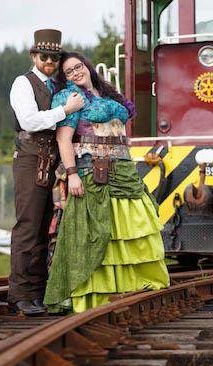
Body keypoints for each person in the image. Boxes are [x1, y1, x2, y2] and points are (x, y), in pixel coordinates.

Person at [43, 52, 169, 313]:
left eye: (79, 67)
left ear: (87, 67)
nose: (76, 72)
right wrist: (72, 173)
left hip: (123, 170)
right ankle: (96, 296)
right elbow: (63, 139)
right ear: (64, 78)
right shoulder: (71, 98)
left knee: (132, 229)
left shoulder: (107, 93)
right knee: (96, 232)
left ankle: (134, 287)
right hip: (93, 170)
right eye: (69, 71)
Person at [8, 29, 85, 316]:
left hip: (50, 161)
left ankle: (37, 292)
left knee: (43, 228)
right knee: (28, 225)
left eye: (54, 57)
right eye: (44, 56)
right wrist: (65, 110)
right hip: (30, 159)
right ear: (34, 56)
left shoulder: (54, 86)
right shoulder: (23, 83)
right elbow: (29, 120)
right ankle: (19, 295)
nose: (50, 61)